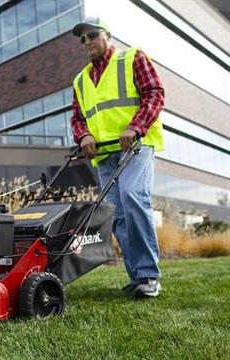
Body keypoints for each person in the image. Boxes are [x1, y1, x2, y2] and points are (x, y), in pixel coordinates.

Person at [70, 17, 165, 298]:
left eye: (92, 35)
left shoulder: (132, 58)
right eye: (82, 39)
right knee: (118, 215)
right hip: (105, 155)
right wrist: (84, 136)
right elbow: (77, 118)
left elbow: (154, 93)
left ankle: (149, 275)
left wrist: (135, 127)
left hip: (136, 145)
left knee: (134, 197)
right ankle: (137, 276)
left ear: (107, 35)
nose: (87, 42)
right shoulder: (80, 79)